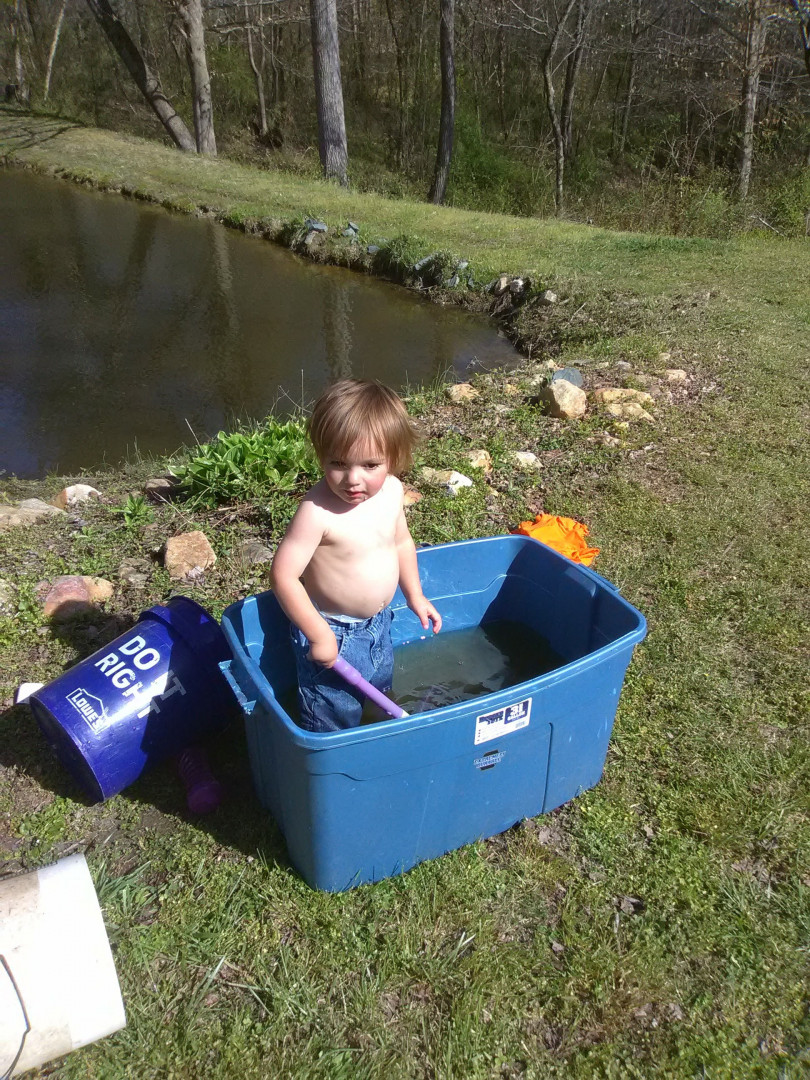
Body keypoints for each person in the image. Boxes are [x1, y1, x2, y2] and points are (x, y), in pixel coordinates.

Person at [271, 379, 442, 732]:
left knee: (379, 693)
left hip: (379, 623)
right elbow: (283, 576)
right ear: (320, 454)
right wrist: (318, 635)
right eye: (338, 463)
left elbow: (401, 542)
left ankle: (377, 737)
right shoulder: (317, 512)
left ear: (393, 457)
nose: (352, 479)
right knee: (333, 710)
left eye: (370, 465)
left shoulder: (392, 492)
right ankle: (335, 754)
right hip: (333, 631)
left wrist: (415, 595)